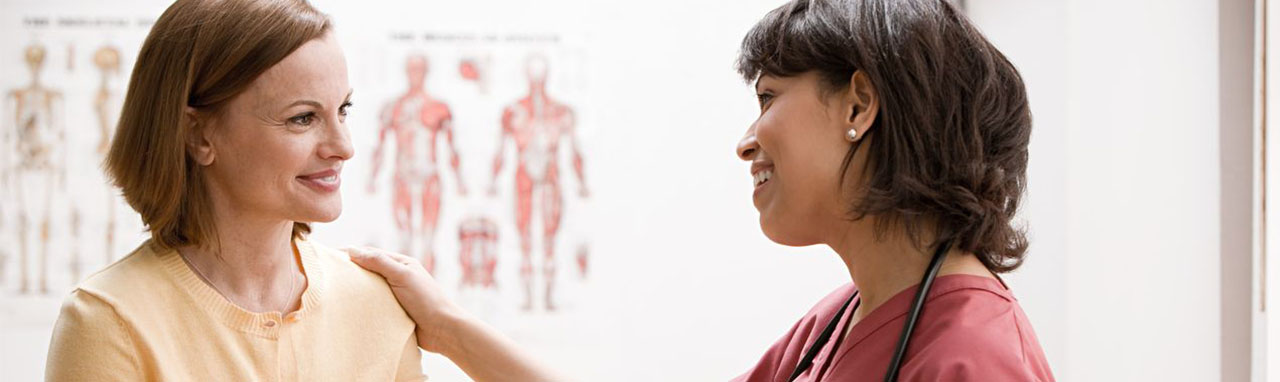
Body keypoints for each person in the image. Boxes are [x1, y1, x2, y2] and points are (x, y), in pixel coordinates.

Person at [353, 0, 1054, 380]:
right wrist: (446, 330)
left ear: (858, 106)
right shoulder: (837, 323)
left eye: (769, 97)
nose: (747, 140)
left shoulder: (976, 358)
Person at [44, 1, 424, 380]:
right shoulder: (110, 322)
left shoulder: (377, 302)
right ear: (198, 134)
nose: (344, 147)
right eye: (302, 118)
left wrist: (452, 328)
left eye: (343, 109)